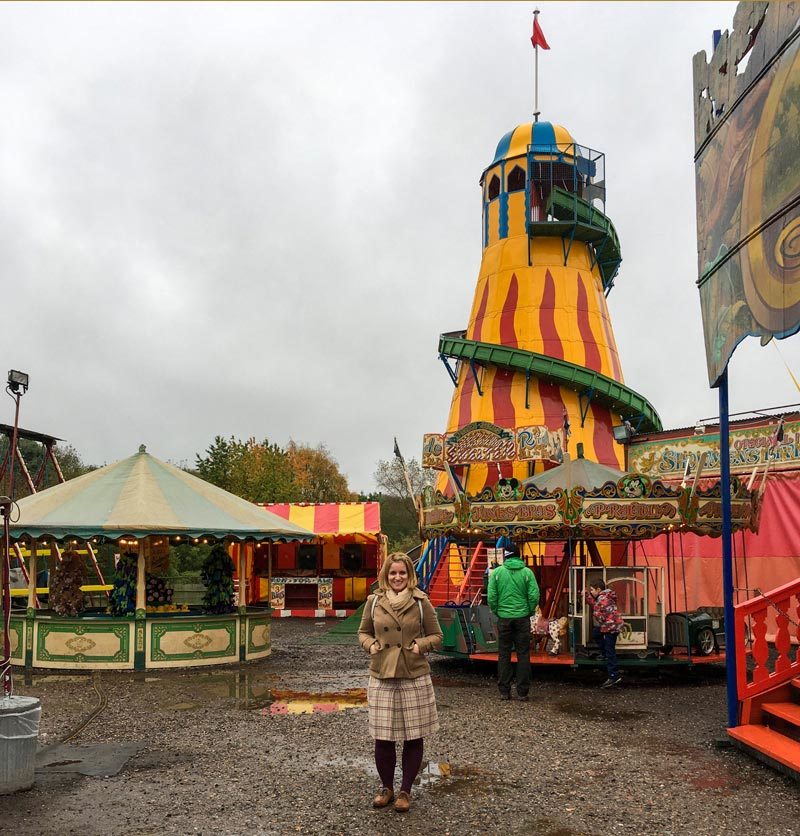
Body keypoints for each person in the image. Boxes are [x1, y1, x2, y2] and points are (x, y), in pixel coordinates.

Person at [358, 552, 443, 813]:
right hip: (382, 673)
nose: (397, 578)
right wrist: (370, 644)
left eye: (402, 573)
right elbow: (363, 632)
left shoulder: (421, 602)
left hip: (413, 674)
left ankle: (405, 790)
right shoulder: (373, 602)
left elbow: (437, 635)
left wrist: (421, 645)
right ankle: (386, 787)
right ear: (386, 575)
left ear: (410, 575)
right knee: (383, 737)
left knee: (412, 736)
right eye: (393, 573)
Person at [487, 545, 540, 701]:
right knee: (523, 654)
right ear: (519, 556)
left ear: (506, 556)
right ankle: (523, 691)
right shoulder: (527, 573)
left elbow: (491, 596)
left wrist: (497, 611)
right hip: (522, 617)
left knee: (504, 654)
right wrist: (529, 611)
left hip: (504, 618)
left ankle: (504, 690)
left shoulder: (497, 573)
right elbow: (534, 596)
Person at [586, 580, 624, 688]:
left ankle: (613, 675)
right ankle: (604, 654)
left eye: (592, 590)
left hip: (610, 627)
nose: (592, 592)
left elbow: (598, 612)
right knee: (596, 633)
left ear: (598, 589)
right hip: (612, 625)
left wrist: (597, 616)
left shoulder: (602, 599)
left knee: (610, 650)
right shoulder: (606, 596)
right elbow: (596, 604)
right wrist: (588, 596)